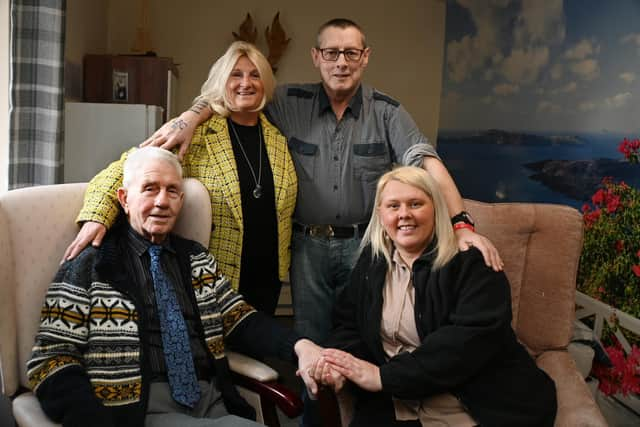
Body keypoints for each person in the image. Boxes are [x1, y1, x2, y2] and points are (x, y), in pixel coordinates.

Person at [140, 18, 502, 347]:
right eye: (331, 52)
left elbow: (427, 163)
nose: (341, 62)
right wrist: (189, 117)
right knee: (310, 339)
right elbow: (233, 92)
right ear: (317, 57)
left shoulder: (387, 111)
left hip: (367, 244)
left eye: (351, 52)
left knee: (364, 334)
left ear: (365, 57)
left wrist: (462, 225)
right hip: (307, 247)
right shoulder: (286, 102)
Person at [27, 147, 321, 427]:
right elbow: (51, 359)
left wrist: (300, 345)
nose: (162, 201)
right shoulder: (90, 265)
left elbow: (239, 318)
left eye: (172, 191)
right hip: (140, 408)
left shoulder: (196, 258)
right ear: (124, 198)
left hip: (210, 399)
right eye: (150, 188)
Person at [310, 166, 557, 427]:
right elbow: (348, 324)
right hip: (396, 400)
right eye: (393, 206)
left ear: (436, 209)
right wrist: (342, 364)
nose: (404, 214)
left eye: (416, 204)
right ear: (381, 216)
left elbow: (467, 344)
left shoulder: (471, 262)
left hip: (470, 401)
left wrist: (382, 377)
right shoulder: (372, 264)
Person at [63, 41, 297, 315]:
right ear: (222, 82)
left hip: (267, 278)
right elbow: (126, 168)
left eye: (254, 74)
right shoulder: (194, 134)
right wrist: (97, 216)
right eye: (236, 74)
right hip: (215, 278)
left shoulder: (278, 138)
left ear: (266, 82)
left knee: (259, 348)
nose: (246, 83)